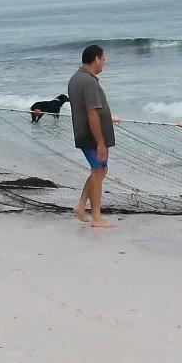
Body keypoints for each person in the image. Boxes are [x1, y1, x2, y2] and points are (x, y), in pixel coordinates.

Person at [67, 44, 115, 228]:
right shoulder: (88, 82)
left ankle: (81, 207)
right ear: (96, 59)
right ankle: (96, 216)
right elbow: (92, 113)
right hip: (91, 136)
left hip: (85, 133)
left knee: (100, 170)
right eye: (103, 59)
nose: (104, 63)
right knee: (98, 171)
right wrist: (100, 142)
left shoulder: (76, 78)